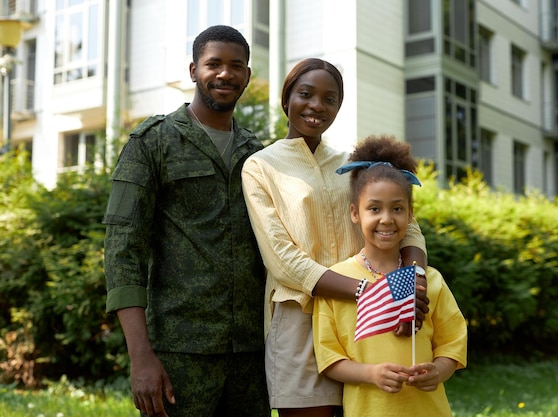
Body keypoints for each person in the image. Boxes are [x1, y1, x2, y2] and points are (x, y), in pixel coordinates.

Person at [241, 58, 429, 417]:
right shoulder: (260, 166)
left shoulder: (355, 165)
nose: (316, 106)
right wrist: (368, 292)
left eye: (330, 99)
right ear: (286, 100)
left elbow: (410, 227)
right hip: (302, 314)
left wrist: (412, 283)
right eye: (306, 94)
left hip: (372, 314)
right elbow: (282, 258)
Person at [103, 25, 269, 417]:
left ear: (247, 75)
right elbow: (122, 250)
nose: (225, 74)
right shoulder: (152, 142)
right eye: (214, 64)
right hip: (179, 353)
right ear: (194, 70)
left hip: (250, 354)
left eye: (236, 65)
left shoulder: (258, 154)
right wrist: (140, 357)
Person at [312, 134, 468, 417]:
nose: (386, 219)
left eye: (397, 208)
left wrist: (439, 371)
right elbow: (329, 358)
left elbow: (452, 342)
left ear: (410, 215)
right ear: (354, 213)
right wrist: (371, 373)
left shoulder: (429, 280)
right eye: (374, 208)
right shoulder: (337, 281)